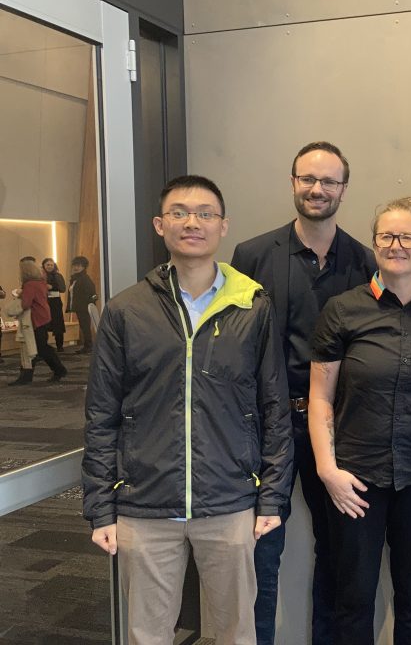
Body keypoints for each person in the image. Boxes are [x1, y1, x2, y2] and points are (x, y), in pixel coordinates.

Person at [82, 175, 293, 645]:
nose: (191, 222)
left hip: (230, 501)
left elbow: (274, 406)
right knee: (146, 634)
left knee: (235, 632)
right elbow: (102, 413)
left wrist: (272, 495)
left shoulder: (252, 306)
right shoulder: (127, 310)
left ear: (223, 226)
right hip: (145, 504)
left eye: (205, 213)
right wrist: (100, 506)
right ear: (160, 225)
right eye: (179, 212)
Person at [231, 141, 376, 645]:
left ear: (343, 189)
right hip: (267, 429)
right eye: (308, 179)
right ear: (293, 182)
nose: (317, 189)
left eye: (328, 181)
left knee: (339, 553)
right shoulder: (250, 256)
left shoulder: (365, 260)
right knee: (261, 552)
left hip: (337, 430)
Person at [309, 196, 411, 645]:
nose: (397, 245)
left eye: (408, 236)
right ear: (374, 245)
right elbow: (320, 398)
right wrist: (327, 470)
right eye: (386, 236)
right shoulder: (342, 309)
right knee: (352, 598)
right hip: (355, 478)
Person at [7, 258, 67, 385]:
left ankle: (58, 369)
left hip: (35, 319)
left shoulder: (29, 284)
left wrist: (18, 295)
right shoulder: (41, 282)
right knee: (39, 347)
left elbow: (26, 303)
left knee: (37, 348)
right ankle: (29, 375)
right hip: (43, 316)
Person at [68, 255, 97, 353]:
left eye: (79, 265)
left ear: (84, 267)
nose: (76, 267)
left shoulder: (84, 278)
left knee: (85, 326)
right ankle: (87, 346)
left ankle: (89, 346)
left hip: (84, 307)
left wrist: (89, 305)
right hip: (79, 307)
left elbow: (92, 293)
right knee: (84, 326)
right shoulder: (75, 278)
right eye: (75, 265)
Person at [42, 258, 67, 351]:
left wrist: (52, 287)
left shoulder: (58, 275)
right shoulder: (40, 276)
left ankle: (59, 346)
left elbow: (63, 289)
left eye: (51, 265)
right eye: (47, 264)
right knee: (44, 324)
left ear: (54, 266)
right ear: (43, 266)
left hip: (55, 302)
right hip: (44, 302)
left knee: (58, 324)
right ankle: (44, 346)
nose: (49, 266)